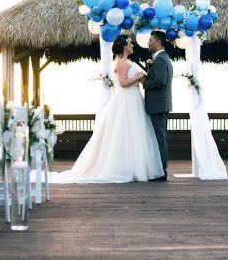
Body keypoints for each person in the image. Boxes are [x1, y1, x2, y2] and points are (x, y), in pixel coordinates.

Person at [55, 35, 164, 183]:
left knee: (136, 134)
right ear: (124, 46)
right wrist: (138, 77)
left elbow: (143, 79)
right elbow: (123, 83)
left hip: (134, 100)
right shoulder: (120, 62)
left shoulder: (127, 62)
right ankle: (124, 168)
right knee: (124, 133)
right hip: (126, 100)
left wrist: (145, 73)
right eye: (130, 43)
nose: (133, 45)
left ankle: (136, 167)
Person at [143, 30, 173, 181]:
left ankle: (162, 171)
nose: (148, 42)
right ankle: (159, 169)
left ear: (158, 42)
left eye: (150, 40)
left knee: (159, 138)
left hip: (158, 104)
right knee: (158, 137)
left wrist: (144, 83)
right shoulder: (161, 58)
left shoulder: (161, 59)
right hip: (159, 104)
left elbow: (160, 80)